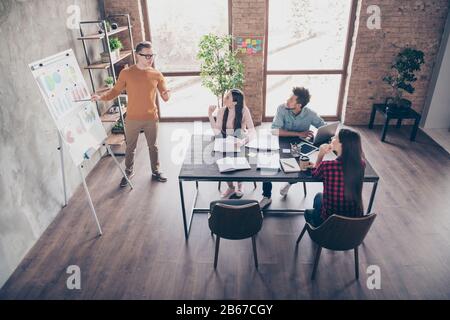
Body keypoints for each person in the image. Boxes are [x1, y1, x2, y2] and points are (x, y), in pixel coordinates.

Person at [91, 41, 170, 187]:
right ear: (137, 55)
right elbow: (115, 91)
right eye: (146, 55)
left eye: (151, 55)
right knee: (130, 147)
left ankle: (156, 171)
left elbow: (165, 96)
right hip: (132, 118)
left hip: (151, 118)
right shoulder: (126, 73)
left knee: (153, 146)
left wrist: (167, 92)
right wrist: (101, 97)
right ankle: (128, 172)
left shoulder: (156, 74)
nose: (150, 58)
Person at [260, 87, 325, 209]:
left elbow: (324, 126)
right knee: (267, 166)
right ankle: (266, 196)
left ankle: (289, 183)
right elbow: (274, 130)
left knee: (302, 167)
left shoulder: (310, 114)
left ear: (299, 105)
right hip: (279, 142)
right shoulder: (282, 108)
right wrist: (299, 133)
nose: (287, 100)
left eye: (291, 99)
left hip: (298, 146)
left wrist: (316, 137)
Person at [305, 128, 365, 227]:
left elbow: (315, 175)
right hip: (354, 225)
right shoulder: (361, 164)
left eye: (335, 138)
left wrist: (321, 155)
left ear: (341, 145)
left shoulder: (327, 165)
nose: (332, 139)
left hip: (330, 222)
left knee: (317, 198)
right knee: (320, 197)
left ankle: (319, 227)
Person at [208, 89, 256, 198]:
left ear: (234, 102)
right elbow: (217, 132)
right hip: (224, 140)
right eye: (226, 95)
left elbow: (253, 131)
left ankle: (240, 184)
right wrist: (210, 115)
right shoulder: (221, 111)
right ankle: (230, 186)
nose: (224, 98)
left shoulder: (244, 111)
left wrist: (243, 141)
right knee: (222, 161)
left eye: (227, 97)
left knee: (240, 159)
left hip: (240, 141)